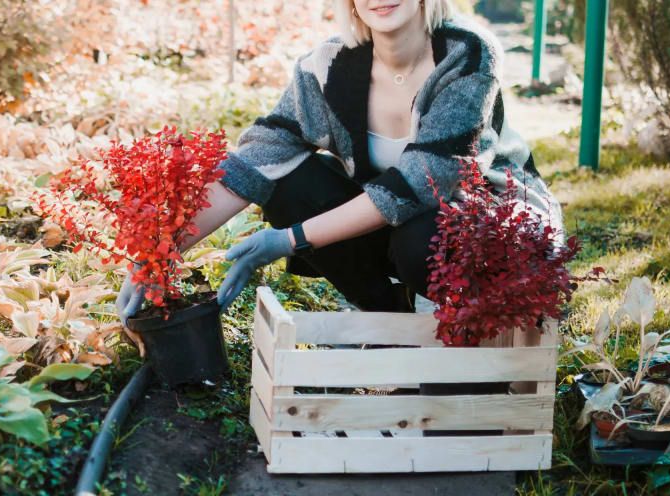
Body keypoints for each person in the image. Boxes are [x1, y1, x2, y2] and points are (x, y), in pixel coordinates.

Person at [117, 0, 564, 324]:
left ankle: (465, 333)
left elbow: (425, 182)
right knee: (289, 183)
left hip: (490, 227)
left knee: (423, 234)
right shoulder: (328, 66)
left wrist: (288, 240)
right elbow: (254, 163)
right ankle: (390, 320)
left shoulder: (465, 54)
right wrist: (161, 253)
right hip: (401, 225)